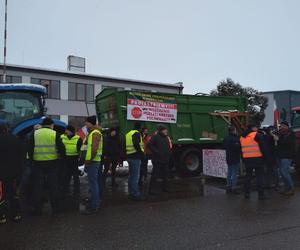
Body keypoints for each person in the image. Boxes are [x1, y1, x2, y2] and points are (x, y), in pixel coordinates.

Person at [28, 117, 65, 215]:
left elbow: (30, 149)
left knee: (38, 186)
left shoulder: (35, 134)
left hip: (38, 163)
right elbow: (62, 148)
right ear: (51, 125)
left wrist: (31, 161)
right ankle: (55, 209)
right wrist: (62, 157)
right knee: (53, 185)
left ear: (43, 124)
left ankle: (38, 209)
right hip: (52, 162)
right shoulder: (55, 133)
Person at [0, 121, 23, 224]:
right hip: (14, 172)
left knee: (1, 194)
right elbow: (21, 156)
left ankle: (2, 217)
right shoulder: (15, 139)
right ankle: (16, 215)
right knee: (13, 193)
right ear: (7, 128)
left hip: (1, 173)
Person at [82, 115, 103, 214]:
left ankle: (94, 206)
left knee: (93, 184)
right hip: (93, 161)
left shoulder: (95, 133)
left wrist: (88, 160)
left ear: (91, 123)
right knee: (93, 183)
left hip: (93, 161)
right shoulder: (92, 133)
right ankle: (94, 202)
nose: (85, 124)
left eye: (86, 122)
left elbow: (94, 149)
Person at [240, 124, 266, 200]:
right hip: (258, 158)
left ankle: (246, 194)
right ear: (253, 128)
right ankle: (261, 194)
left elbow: (241, 150)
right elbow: (263, 148)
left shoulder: (242, 137)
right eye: (256, 127)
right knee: (259, 177)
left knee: (248, 177)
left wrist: (243, 158)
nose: (257, 128)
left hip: (247, 159)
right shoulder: (257, 135)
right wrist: (265, 157)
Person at [148, 125, 172, 195]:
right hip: (157, 159)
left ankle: (165, 188)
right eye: (165, 130)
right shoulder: (155, 137)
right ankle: (152, 189)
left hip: (165, 159)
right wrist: (157, 152)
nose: (166, 131)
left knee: (165, 174)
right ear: (161, 130)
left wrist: (169, 153)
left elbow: (168, 147)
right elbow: (149, 145)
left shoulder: (166, 137)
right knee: (155, 174)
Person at [61, 125, 82, 196]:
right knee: (66, 175)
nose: (65, 131)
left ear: (71, 131)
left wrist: (80, 159)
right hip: (65, 159)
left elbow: (80, 150)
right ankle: (66, 190)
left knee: (75, 176)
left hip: (74, 159)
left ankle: (76, 190)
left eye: (67, 130)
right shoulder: (62, 137)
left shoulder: (78, 138)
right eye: (65, 130)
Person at [277, 121, 297, 195]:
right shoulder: (280, 133)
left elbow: (288, 143)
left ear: (287, 126)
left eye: (283, 125)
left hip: (287, 155)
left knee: (284, 171)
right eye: (281, 125)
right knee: (281, 172)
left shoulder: (291, 134)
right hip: (280, 155)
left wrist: (278, 139)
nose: (281, 127)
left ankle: (291, 187)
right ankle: (287, 187)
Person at [126, 122, 144, 200]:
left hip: (129, 156)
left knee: (131, 176)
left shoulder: (128, 134)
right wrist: (140, 153)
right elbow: (136, 143)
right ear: (140, 128)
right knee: (135, 177)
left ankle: (131, 192)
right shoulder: (136, 133)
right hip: (135, 157)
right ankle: (135, 194)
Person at [223, 126, 241, 194]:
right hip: (235, 158)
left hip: (228, 157)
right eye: (235, 130)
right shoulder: (235, 139)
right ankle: (234, 188)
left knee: (229, 172)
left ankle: (228, 186)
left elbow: (224, 147)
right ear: (233, 131)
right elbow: (238, 148)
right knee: (235, 173)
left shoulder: (226, 138)